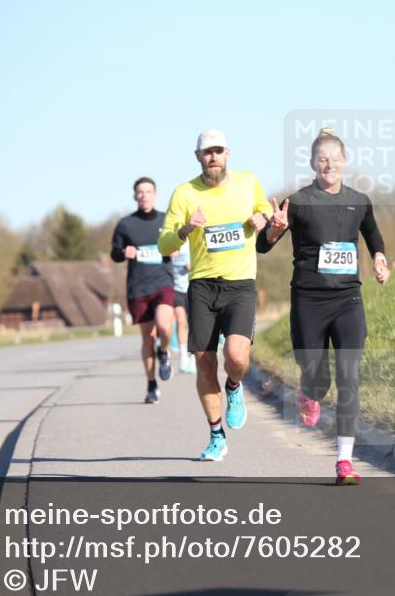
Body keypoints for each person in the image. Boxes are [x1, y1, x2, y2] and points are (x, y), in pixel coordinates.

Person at [257, 128, 390, 485]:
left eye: (334, 158)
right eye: (322, 159)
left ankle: (344, 461)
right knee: (318, 377)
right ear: (313, 163)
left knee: (349, 377)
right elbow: (263, 246)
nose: (328, 164)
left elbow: (373, 236)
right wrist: (274, 229)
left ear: (345, 161)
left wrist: (379, 259)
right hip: (309, 301)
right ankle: (309, 390)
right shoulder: (299, 202)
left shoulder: (359, 201)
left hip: (348, 299)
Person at [158, 129, 273, 461]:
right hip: (203, 286)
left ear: (228, 153)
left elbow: (265, 212)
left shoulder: (248, 182)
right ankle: (216, 435)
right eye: (207, 152)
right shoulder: (184, 193)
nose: (213, 157)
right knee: (204, 363)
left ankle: (234, 386)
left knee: (236, 357)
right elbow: (164, 243)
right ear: (198, 157)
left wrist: (262, 218)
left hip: (240, 284)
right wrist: (186, 229)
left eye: (218, 151)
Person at [111, 176, 175, 404]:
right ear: (135, 196)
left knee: (164, 326)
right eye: (140, 192)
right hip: (138, 288)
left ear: (155, 195)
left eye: (148, 191)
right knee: (147, 338)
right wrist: (123, 253)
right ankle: (151, 384)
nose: (144, 195)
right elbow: (114, 253)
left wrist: (175, 248)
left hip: (163, 282)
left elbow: (179, 241)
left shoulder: (166, 220)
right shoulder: (125, 224)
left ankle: (164, 352)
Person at [170, 241, 197, 374]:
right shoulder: (171, 240)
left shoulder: (192, 241)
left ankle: (193, 358)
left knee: (194, 324)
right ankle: (183, 356)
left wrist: (193, 266)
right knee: (181, 322)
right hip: (176, 289)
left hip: (193, 288)